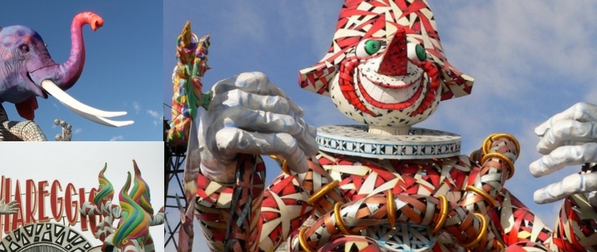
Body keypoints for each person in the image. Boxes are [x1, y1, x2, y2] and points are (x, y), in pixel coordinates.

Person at [183, 0, 597, 251]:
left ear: (440, 79)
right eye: (370, 47)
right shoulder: (312, 170)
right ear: (332, 74)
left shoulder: (469, 181)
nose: (395, 60)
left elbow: (548, 248)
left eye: (417, 51)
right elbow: (244, 245)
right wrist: (218, 176)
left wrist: (589, 201)